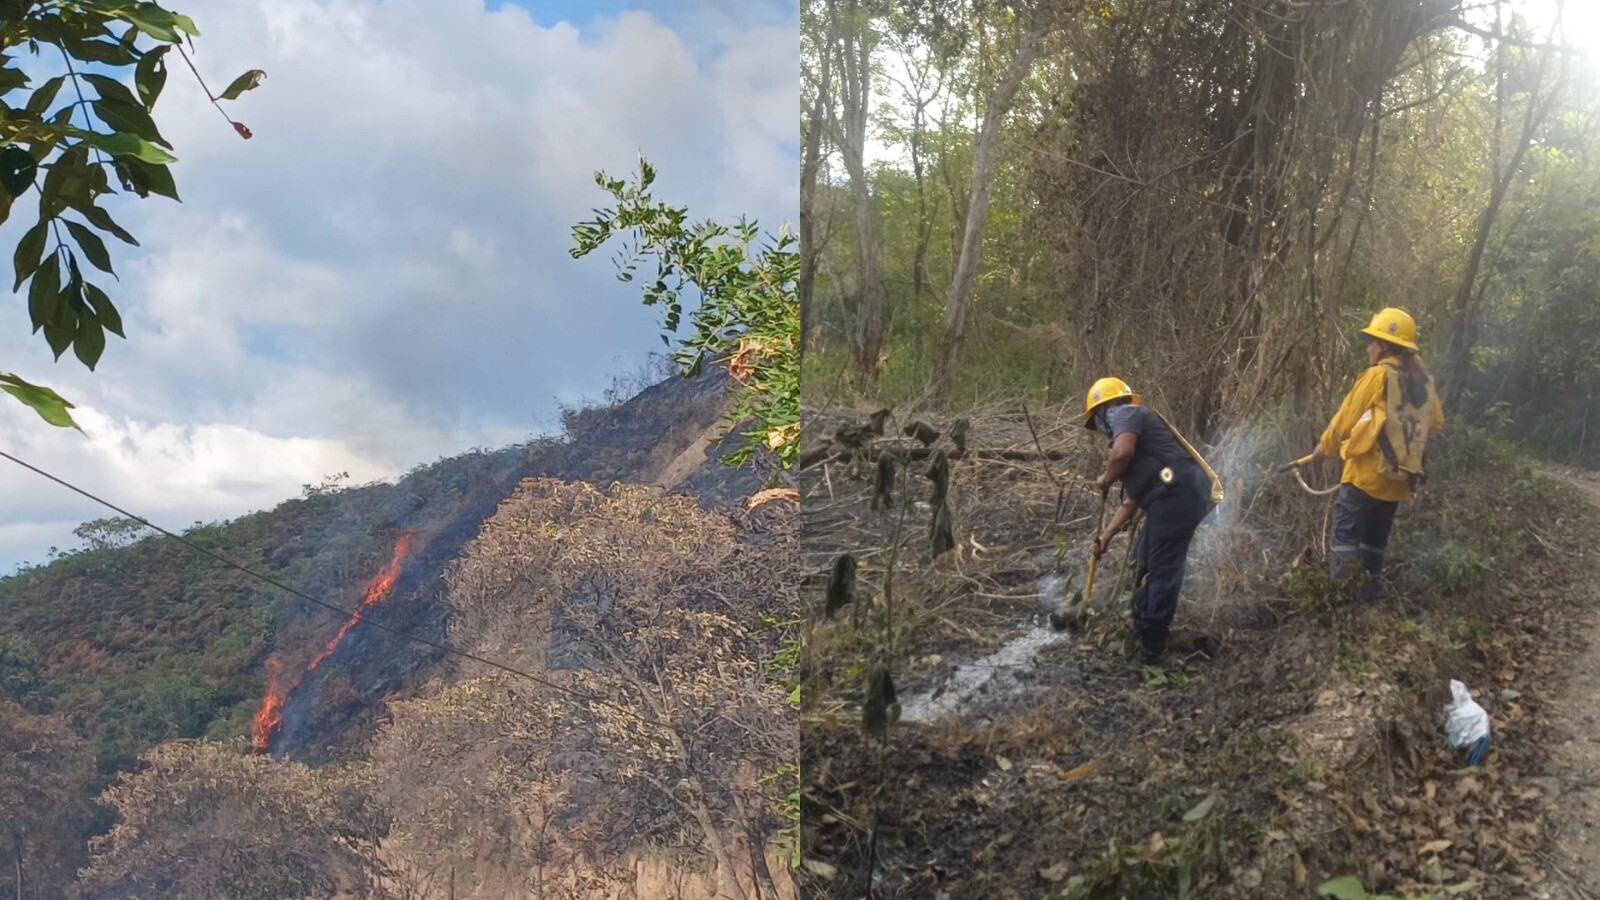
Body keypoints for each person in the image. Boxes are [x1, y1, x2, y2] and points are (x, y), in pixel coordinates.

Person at [1304, 307, 1445, 603]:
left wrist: (1324, 448)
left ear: (1384, 346)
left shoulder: (1378, 375)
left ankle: (1340, 609)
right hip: (1397, 482)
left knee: (1345, 540)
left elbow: (1345, 417)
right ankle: (1366, 605)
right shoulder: (1422, 381)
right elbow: (1435, 423)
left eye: (1372, 341)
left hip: (1363, 478)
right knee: (1373, 545)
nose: (1368, 347)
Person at [1083, 377, 1223, 665]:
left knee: (1161, 569)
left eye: (1095, 423)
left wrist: (1106, 478)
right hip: (1170, 497)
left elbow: (1121, 453)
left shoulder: (1126, 413)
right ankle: (1139, 629)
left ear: (1104, 410)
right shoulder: (1140, 446)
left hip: (1178, 494)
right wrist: (1105, 538)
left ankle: (1152, 647)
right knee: (1140, 563)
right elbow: (1130, 502)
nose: (1099, 430)